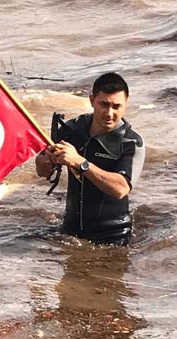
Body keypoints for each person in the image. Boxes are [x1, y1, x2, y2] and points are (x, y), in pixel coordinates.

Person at [36, 72, 145, 246]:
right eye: (104, 104)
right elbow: (41, 171)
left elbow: (121, 189)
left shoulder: (131, 142)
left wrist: (80, 162)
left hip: (113, 238)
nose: (109, 113)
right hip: (69, 232)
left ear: (126, 104)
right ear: (92, 100)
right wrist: (48, 160)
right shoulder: (72, 129)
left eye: (116, 106)